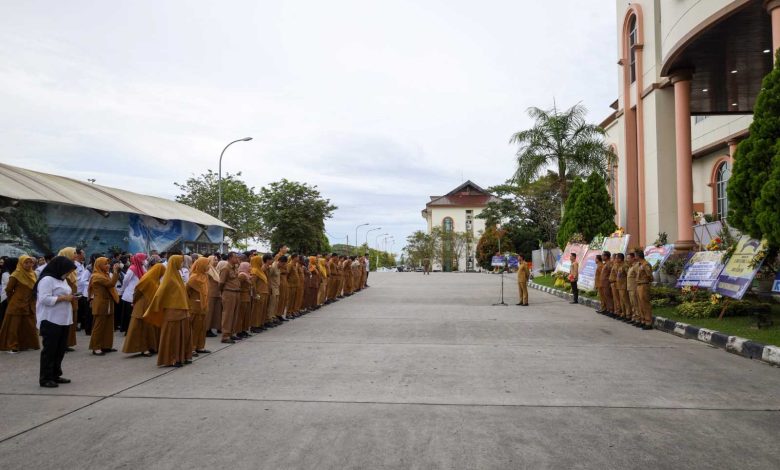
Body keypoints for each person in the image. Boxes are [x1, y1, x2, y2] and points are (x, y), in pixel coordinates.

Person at [35, 256, 77, 387]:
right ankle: (45, 378)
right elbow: (44, 299)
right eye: (68, 271)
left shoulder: (62, 280)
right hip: (50, 319)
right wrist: (63, 298)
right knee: (50, 350)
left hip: (63, 319)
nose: (68, 273)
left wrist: (71, 297)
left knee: (60, 349)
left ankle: (55, 374)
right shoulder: (47, 280)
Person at [144, 255, 192, 367]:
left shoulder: (177, 276)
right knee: (173, 336)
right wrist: (153, 308)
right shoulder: (169, 278)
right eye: (180, 262)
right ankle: (172, 359)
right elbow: (159, 294)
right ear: (175, 263)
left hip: (182, 311)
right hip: (172, 313)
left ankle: (181, 357)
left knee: (182, 335)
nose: (182, 264)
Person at [123, 263, 165, 356]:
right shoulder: (147, 279)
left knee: (149, 328)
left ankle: (151, 346)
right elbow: (137, 291)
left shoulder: (155, 280)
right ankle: (144, 348)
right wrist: (134, 301)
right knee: (142, 328)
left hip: (150, 306)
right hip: (142, 305)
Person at [0, 255, 40, 353]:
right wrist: (13, 300)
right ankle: (12, 346)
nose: (29, 265)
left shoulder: (33, 274)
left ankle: (27, 344)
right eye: (26, 263)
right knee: (14, 326)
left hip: (29, 303)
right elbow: (9, 289)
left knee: (29, 325)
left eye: (30, 262)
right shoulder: (16, 274)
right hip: (17, 304)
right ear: (21, 263)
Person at [88, 257, 121, 355]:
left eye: (108, 264)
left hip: (108, 303)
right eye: (105, 264)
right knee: (99, 326)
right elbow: (111, 284)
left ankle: (106, 345)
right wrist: (115, 272)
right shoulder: (97, 276)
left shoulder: (104, 274)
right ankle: (96, 347)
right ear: (99, 265)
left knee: (108, 326)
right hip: (101, 304)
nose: (108, 266)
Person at [56, 247, 80, 350]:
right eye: (73, 253)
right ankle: (61, 344)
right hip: (65, 299)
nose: (76, 255)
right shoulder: (60, 270)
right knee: (63, 322)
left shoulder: (72, 269)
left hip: (73, 298)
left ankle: (67, 343)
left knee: (71, 321)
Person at [187, 257, 211, 355]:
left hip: (203, 306)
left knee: (202, 327)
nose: (208, 266)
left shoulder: (205, 276)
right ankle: (191, 348)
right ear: (202, 265)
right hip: (195, 306)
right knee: (194, 328)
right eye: (207, 264)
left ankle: (200, 346)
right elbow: (186, 291)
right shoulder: (193, 278)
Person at [118, 253, 147, 334]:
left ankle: (134, 330)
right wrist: (123, 289)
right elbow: (125, 280)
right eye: (143, 259)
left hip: (138, 294)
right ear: (139, 259)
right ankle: (128, 330)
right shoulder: (132, 268)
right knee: (128, 314)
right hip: (130, 294)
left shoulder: (142, 267)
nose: (144, 261)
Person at [219, 252, 242, 343]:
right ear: (230, 258)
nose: (237, 259)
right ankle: (225, 336)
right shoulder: (225, 268)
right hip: (229, 293)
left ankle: (231, 333)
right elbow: (221, 283)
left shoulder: (235, 268)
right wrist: (222, 292)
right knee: (228, 315)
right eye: (235, 257)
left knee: (235, 314)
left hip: (236, 292)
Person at [249, 255, 269, 333]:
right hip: (259, 293)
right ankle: (254, 326)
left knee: (261, 310)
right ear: (256, 261)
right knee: (256, 310)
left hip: (264, 292)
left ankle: (260, 324)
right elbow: (253, 284)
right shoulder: (254, 271)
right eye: (260, 260)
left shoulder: (260, 270)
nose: (261, 262)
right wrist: (255, 294)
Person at [635, 250, 654, 330]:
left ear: (638, 256)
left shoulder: (646, 264)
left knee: (645, 304)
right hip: (639, 285)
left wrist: (646, 281)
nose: (635, 257)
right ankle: (643, 320)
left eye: (635, 255)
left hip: (644, 285)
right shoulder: (640, 264)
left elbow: (650, 276)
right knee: (640, 304)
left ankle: (648, 322)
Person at [237, 261, 252, 337]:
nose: (250, 268)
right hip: (242, 296)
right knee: (241, 315)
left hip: (247, 296)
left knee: (246, 315)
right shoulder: (242, 275)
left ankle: (244, 330)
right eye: (249, 266)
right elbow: (238, 286)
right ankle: (239, 331)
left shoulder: (247, 275)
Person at [266, 254, 282, 326]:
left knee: (275, 304)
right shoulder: (273, 267)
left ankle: (273, 317)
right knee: (271, 304)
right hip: (272, 287)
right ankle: (269, 319)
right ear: (280, 261)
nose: (272, 261)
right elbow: (269, 277)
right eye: (271, 259)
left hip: (277, 287)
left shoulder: (279, 267)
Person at [598, 251, 614, 316]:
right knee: (606, 297)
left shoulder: (609, 263)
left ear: (606, 256)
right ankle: (608, 309)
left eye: (602, 255)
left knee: (608, 297)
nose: (601, 257)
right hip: (604, 283)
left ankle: (611, 310)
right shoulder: (605, 264)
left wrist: (609, 281)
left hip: (607, 283)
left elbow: (611, 273)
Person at [615, 253, 630, 322]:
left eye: (616, 258)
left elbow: (628, 275)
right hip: (619, 286)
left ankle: (628, 315)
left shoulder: (625, 265)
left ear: (620, 259)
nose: (615, 259)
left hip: (624, 286)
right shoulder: (620, 265)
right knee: (622, 301)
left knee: (626, 301)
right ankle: (623, 313)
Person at [626, 252, 640, 326]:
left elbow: (638, 276)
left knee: (636, 304)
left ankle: (638, 319)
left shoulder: (636, 266)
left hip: (634, 288)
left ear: (633, 258)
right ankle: (634, 317)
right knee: (632, 304)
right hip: (630, 288)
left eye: (628, 258)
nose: (627, 260)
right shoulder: (630, 266)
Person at [609, 253, 623, 319]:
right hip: (613, 283)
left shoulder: (618, 265)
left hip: (616, 283)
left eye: (613, 258)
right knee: (615, 299)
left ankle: (618, 312)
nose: (612, 259)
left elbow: (618, 275)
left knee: (617, 299)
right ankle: (616, 311)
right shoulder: (614, 265)